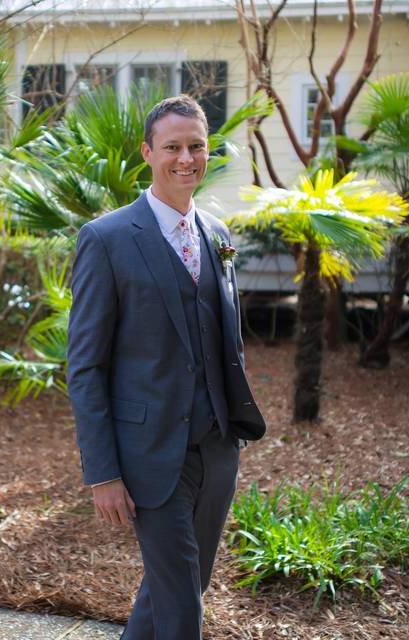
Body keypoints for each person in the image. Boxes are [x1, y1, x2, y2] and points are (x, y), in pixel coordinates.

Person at [66, 95, 267, 640]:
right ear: (148, 152)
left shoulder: (219, 236)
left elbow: (227, 339)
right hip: (148, 456)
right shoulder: (106, 239)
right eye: (173, 146)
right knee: (181, 606)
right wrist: (102, 472)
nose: (186, 158)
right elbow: (84, 366)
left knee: (177, 588)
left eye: (196, 146)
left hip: (216, 447)